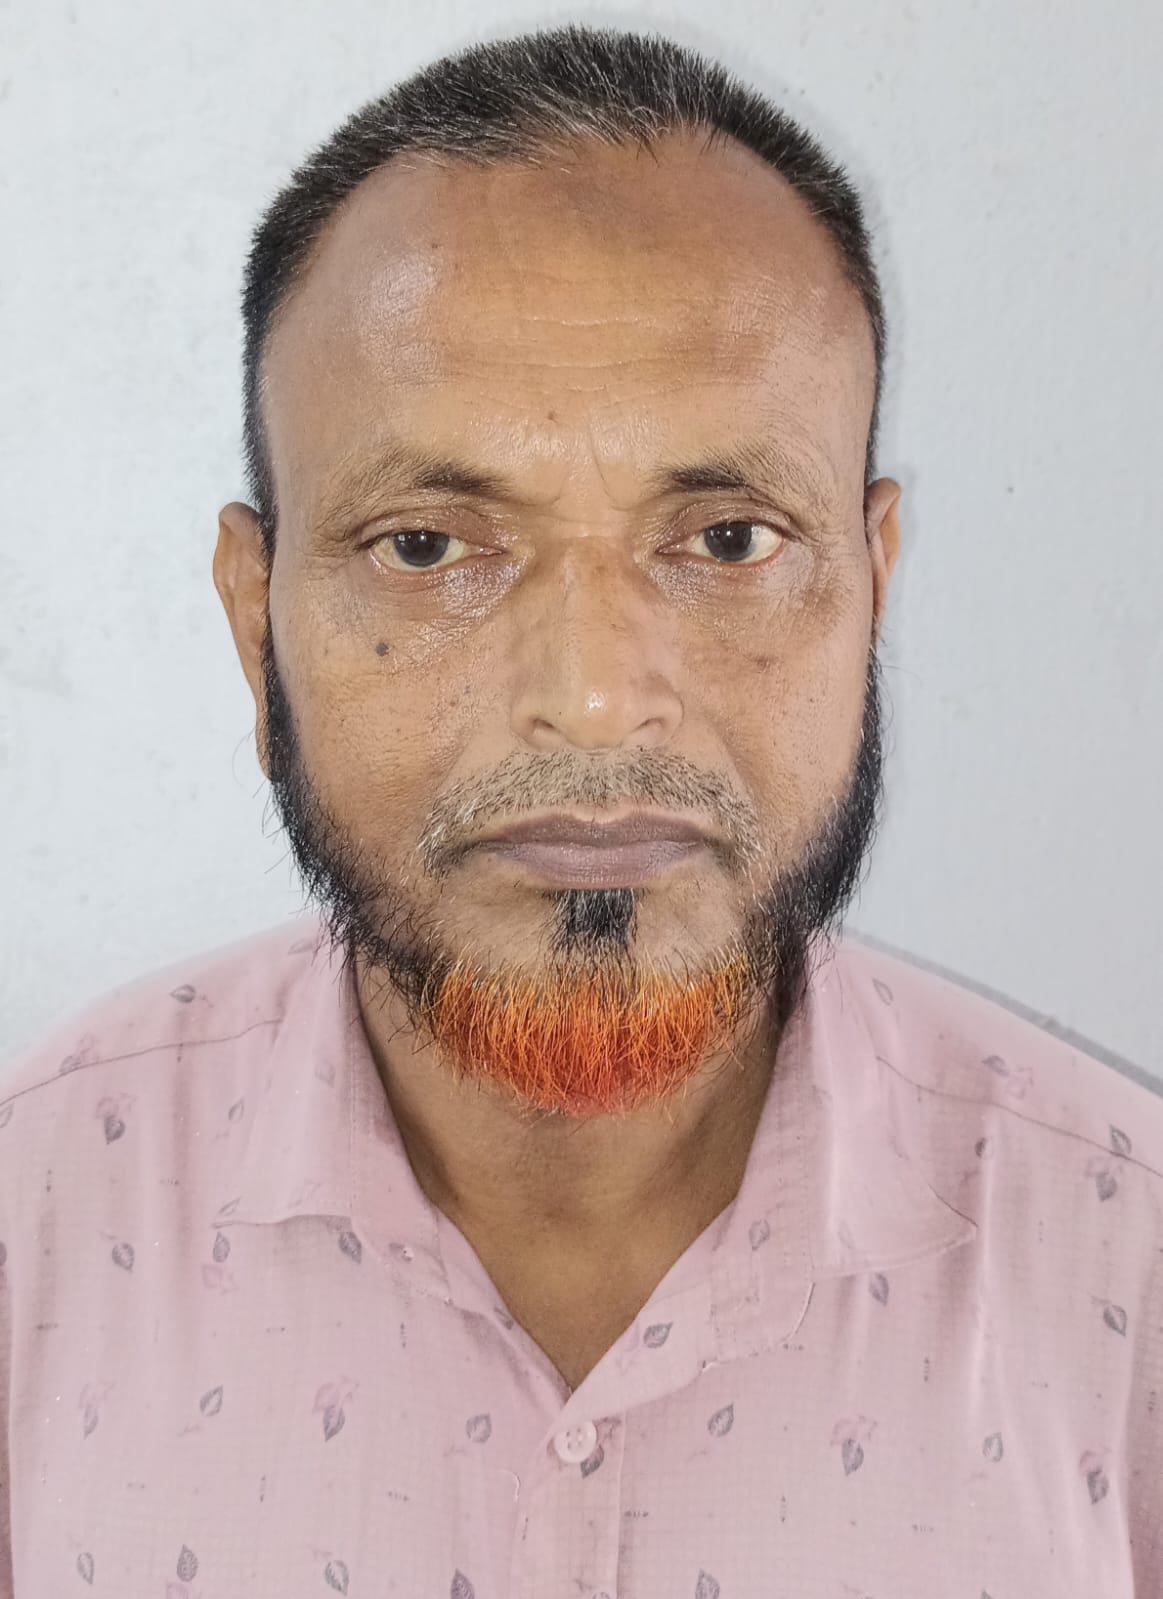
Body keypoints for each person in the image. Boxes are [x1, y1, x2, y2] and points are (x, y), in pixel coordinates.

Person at [1, 23, 1159, 1596]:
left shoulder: (1129, 1273)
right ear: (255, 620)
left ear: (874, 587)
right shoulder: (30, 1234)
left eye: (729, 538)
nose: (598, 701)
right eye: (427, 546)